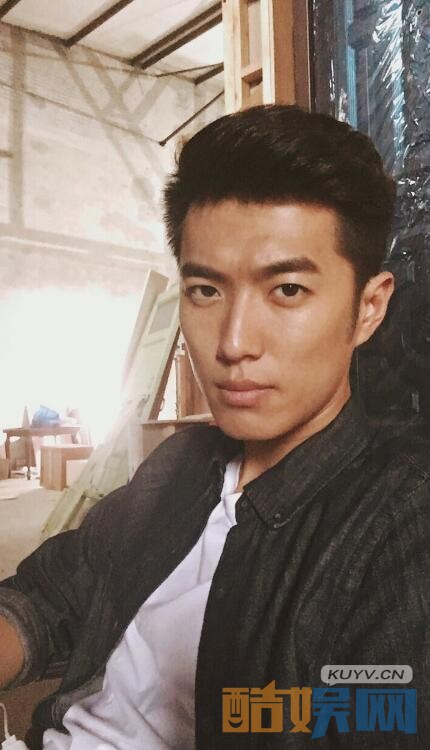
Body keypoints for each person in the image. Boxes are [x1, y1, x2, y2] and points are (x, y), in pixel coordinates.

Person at [0, 105, 429, 749]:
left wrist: (247, 704)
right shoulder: (179, 465)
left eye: (287, 290)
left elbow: (378, 713)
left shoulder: (399, 523)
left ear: (368, 308)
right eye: (206, 290)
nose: (232, 343)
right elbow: (51, 594)